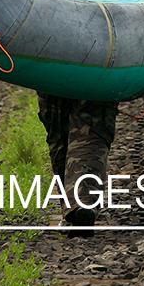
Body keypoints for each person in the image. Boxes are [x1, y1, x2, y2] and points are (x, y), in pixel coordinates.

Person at [37, 94, 118, 232]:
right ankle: (82, 202)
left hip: (51, 77)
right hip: (95, 79)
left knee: (58, 136)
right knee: (91, 133)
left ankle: (74, 206)